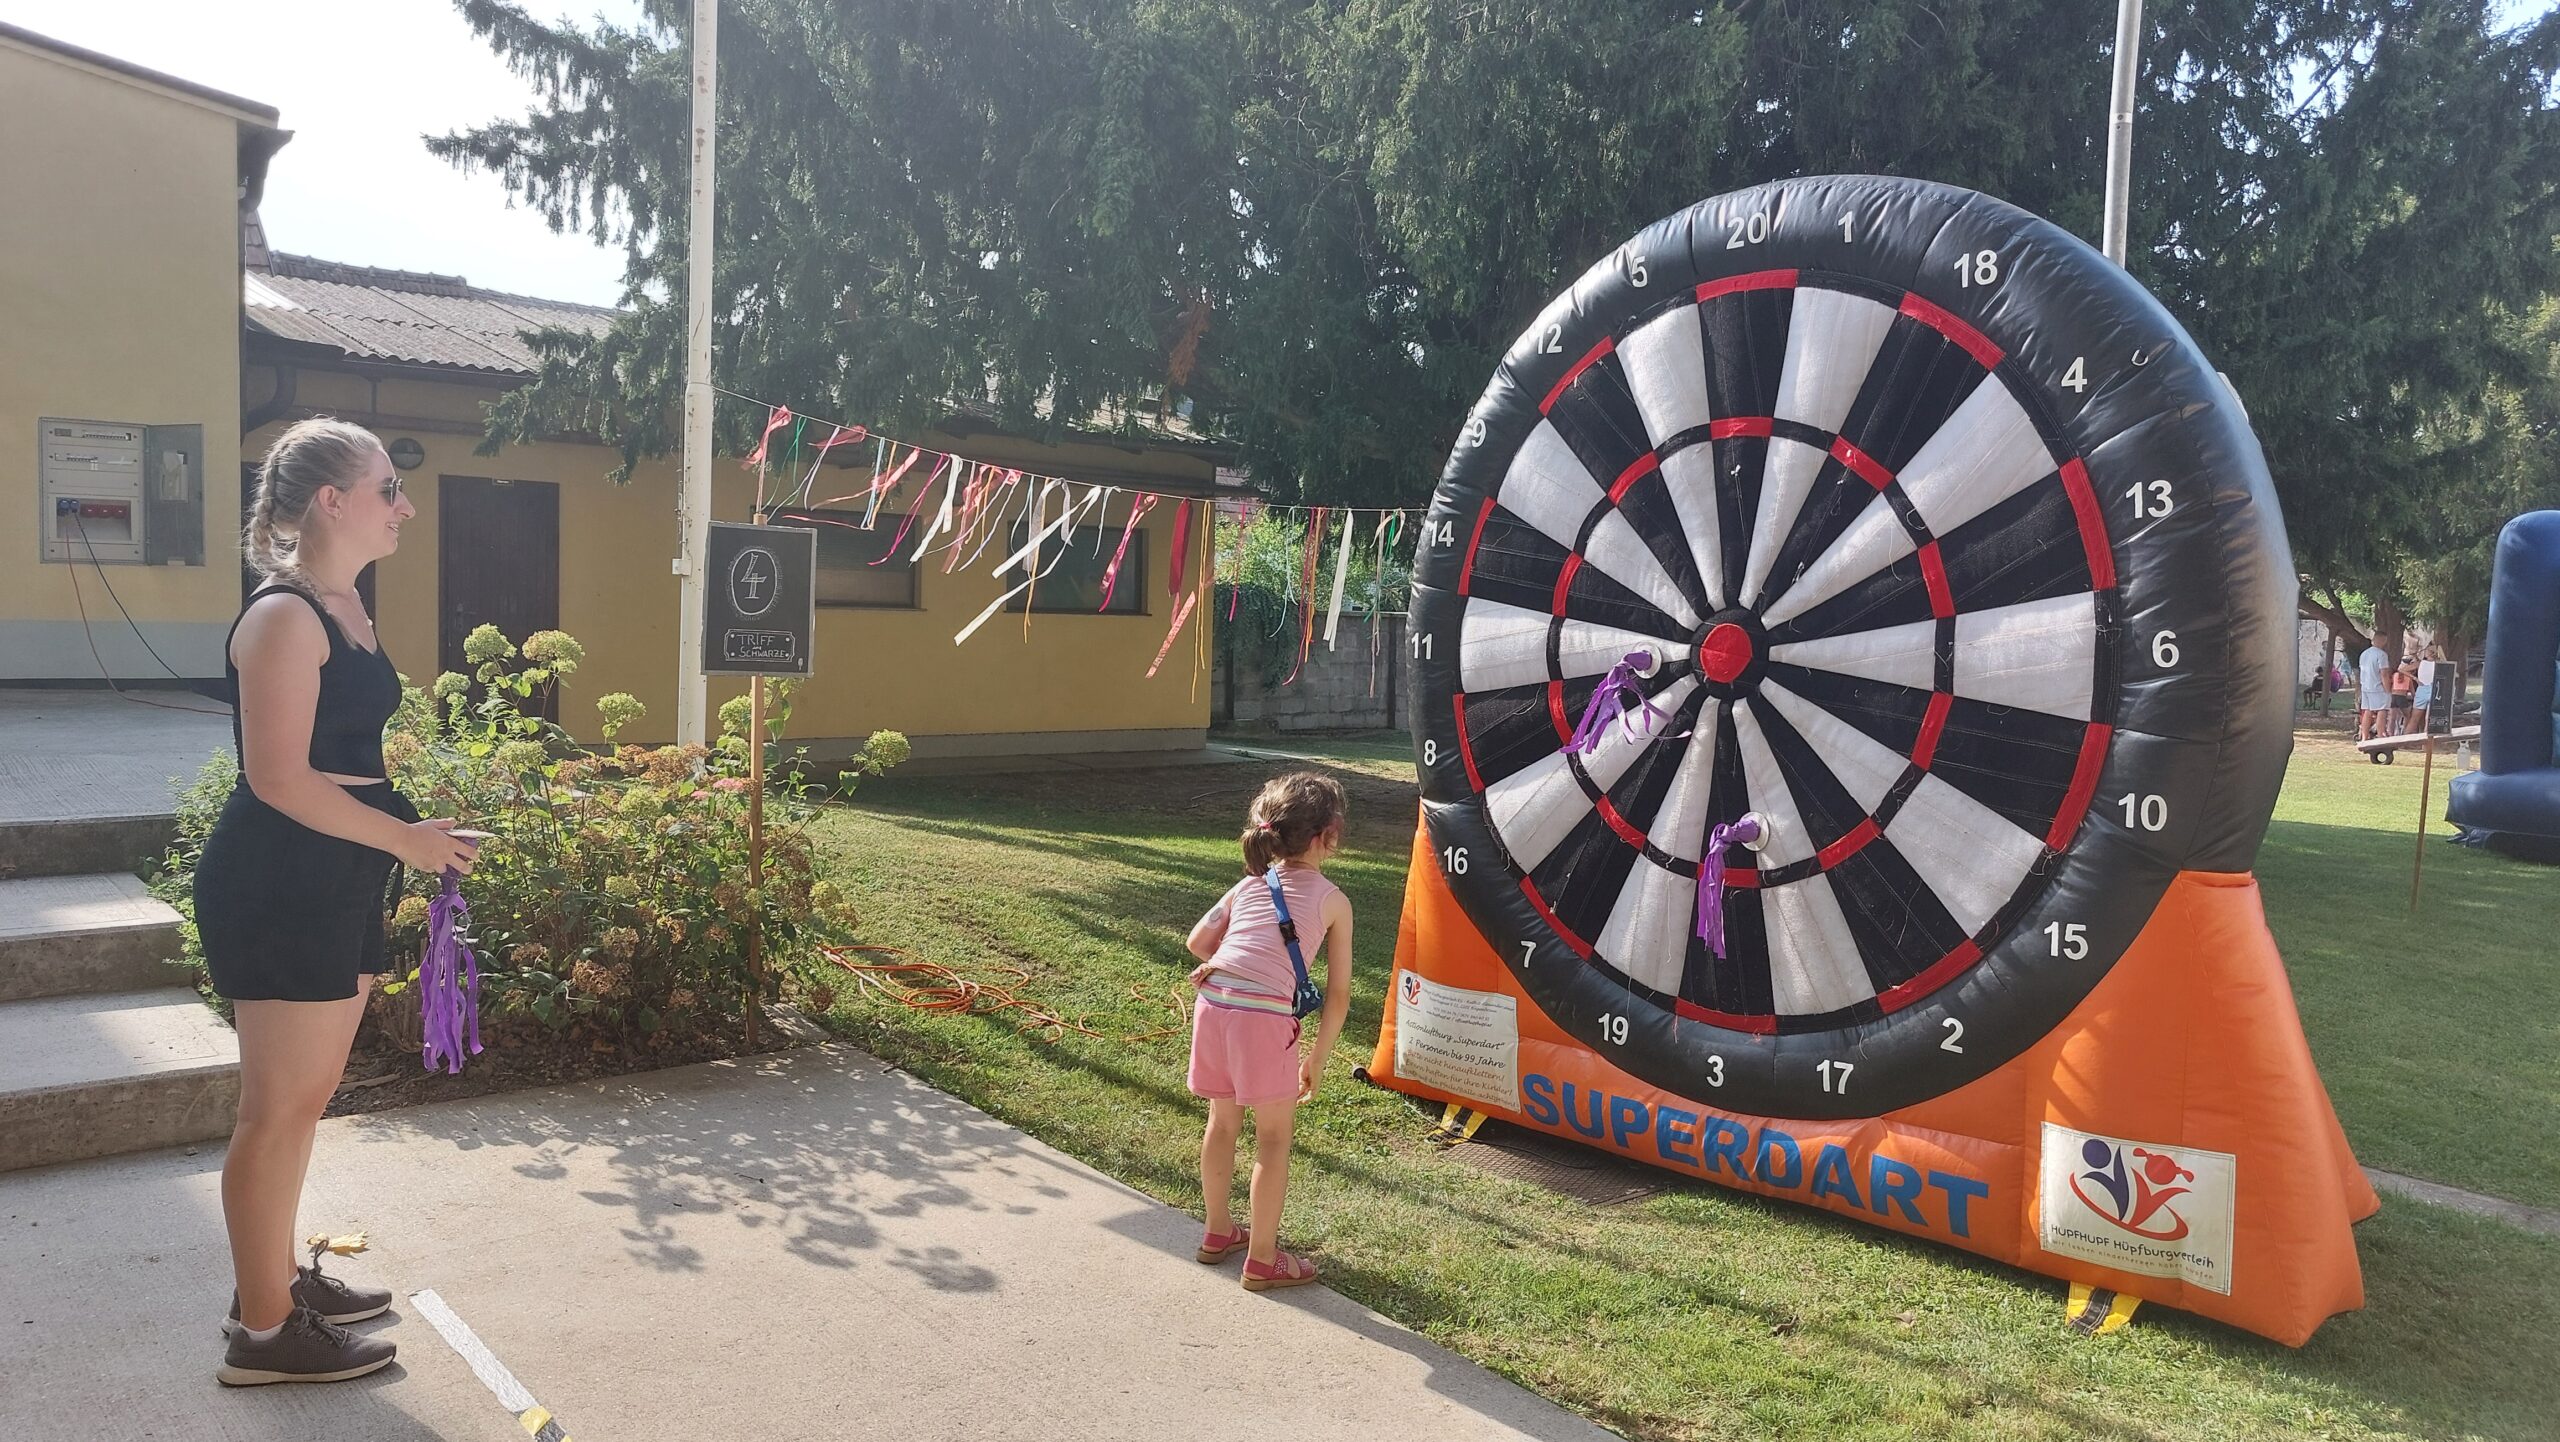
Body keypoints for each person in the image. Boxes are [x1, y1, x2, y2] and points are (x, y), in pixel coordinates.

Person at [198, 418, 480, 1385]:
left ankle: (272, 1286)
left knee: (304, 1102)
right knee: (274, 1111)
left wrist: (407, 833)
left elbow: (340, 760)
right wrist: (404, 840)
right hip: (281, 881)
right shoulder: (284, 618)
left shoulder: (345, 606)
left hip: (336, 873)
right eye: (388, 488)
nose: (405, 507)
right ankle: (264, 1337)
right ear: (332, 500)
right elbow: (277, 778)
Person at [1182, 772, 1354, 1292]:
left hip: (1214, 1003)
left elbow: (1197, 943)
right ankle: (1261, 1259)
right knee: (1274, 1139)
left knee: (1222, 1124)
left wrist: (1240, 963)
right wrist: (1316, 1059)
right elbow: (1338, 995)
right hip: (1264, 1020)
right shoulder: (1333, 901)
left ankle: (1217, 1231)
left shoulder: (1249, 883)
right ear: (1328, 835)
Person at [2357, 639, 2391, 742]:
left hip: (2365, 686)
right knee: (2382, 710)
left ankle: (2364, 736)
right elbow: (2384, 674)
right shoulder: (2382, 655)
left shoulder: (2364, 654)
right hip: (2377, 687)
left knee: (2367, 711)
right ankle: (2381, 735)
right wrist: (2387, 689)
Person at [2389, 655, 2419, 736]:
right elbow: (2412, 692)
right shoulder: (2408, 678)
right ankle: (2405, 731)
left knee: (2392, 717)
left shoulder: (2395, 675)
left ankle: (2390, 733)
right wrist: (2416, 698)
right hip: (2402, 697)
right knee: (2407, 715)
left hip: (2393, 696)